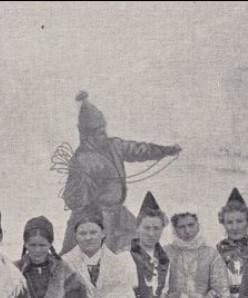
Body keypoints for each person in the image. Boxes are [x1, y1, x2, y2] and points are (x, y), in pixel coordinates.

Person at [59, 92, 182, 254]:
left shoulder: (114, 146)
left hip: (119, 212)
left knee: (140, 242)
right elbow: (74, 200)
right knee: (101, 256)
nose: (101, 135)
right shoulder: (81, 159)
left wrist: (165, 151)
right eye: (96, 132)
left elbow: (139, 150)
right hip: (97, 217)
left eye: (102, 130)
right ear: (84, 133)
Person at [216, 188, 248, 298]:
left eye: (239, 221)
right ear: (223, 223)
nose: (234, 227)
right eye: (229, 222)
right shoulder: (217, 252)